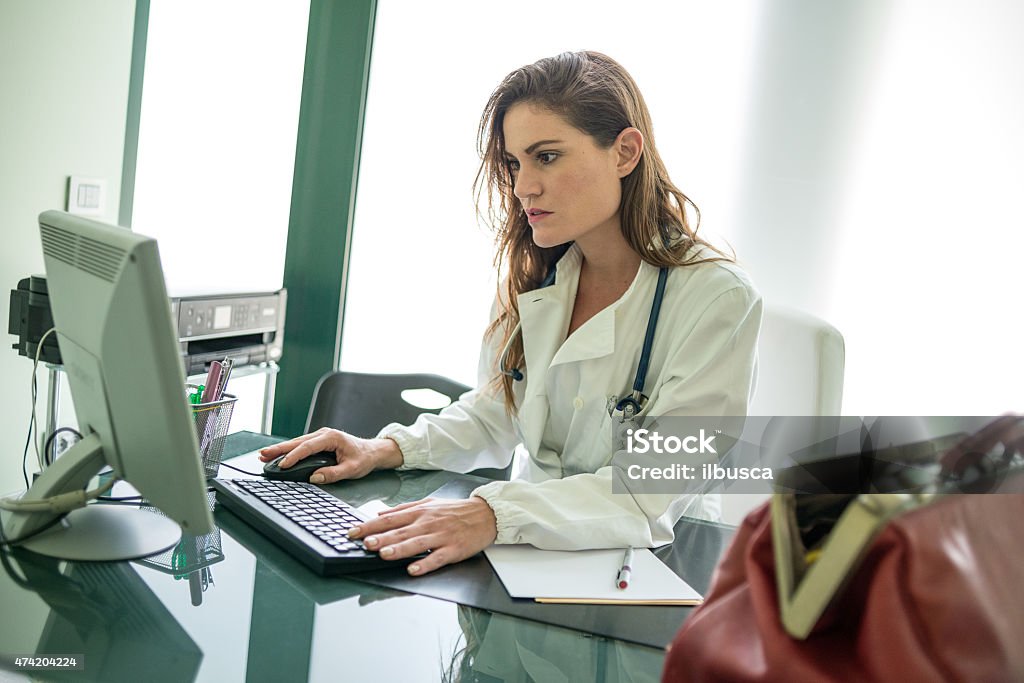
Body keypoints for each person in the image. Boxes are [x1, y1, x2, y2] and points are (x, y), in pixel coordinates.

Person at [259, 51, 762, 576]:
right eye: (515, 163)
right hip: (529, 553)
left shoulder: (716, 298)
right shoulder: (534, 276)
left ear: (625, 153)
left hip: (656, 569)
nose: (523, 187)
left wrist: (489, 513)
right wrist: (386, 448)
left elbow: (646, 496)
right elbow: (498, 411)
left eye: (547, 156)